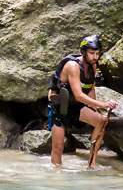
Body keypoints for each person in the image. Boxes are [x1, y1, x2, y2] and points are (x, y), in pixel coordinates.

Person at [46, 34, 118, 168]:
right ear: (83, 52)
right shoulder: (72, 66)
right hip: (59, 107)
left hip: (76, 106)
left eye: (97, 53)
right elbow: (79, 95)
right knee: (58, 146)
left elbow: (90, 88)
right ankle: (56, 173)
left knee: (101, 121)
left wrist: (95, 109)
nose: (94, 57)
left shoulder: (93, 66)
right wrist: (103, 104)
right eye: (91, 53)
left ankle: (92, 163)